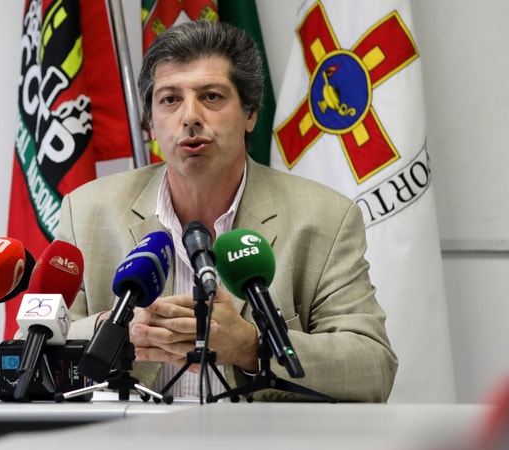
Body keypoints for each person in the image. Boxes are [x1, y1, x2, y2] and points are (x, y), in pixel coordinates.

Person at [54, 20, 397, 402]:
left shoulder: (324, 218)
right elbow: (29, 345)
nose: (190, 117)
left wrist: (252, 346)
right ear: (150, 122)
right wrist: (113, 329)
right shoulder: (86, 212)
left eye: (212, 96)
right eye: (170, 99)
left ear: (250, 114)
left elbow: (373, 368)